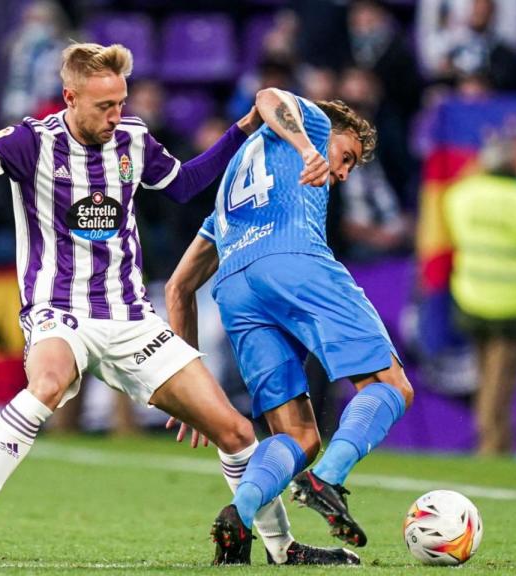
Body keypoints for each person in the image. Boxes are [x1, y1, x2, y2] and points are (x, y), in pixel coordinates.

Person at [0, 43, 354, 566]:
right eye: (104, 106)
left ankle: (282, 550)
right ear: (70, 98)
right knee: (48, 384)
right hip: (59, 310)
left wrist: (239, 130)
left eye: (121, 103)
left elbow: (187, 183)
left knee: (235, 431)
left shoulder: (133, 140)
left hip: (128, 317)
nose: (115, 115)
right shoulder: (31, 142)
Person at [164, 88, 414, 562]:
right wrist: (307, 146)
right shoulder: (316, 127)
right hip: (294, 260)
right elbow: (268, 96)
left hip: (237, 292)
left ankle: (239, 517)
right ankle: (330, 479)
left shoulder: (228, 198)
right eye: (347, 157)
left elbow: (178, 288)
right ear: (331, 131)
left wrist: (184, 381)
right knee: (392, 385)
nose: (341, 172)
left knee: (298, 436)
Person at [443, 140, 516, 456]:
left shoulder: (460, 195)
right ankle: (491, 446)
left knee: (484, 379)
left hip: (472, 297)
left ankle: (496, 442)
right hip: (514, 304)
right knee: (499, 385)